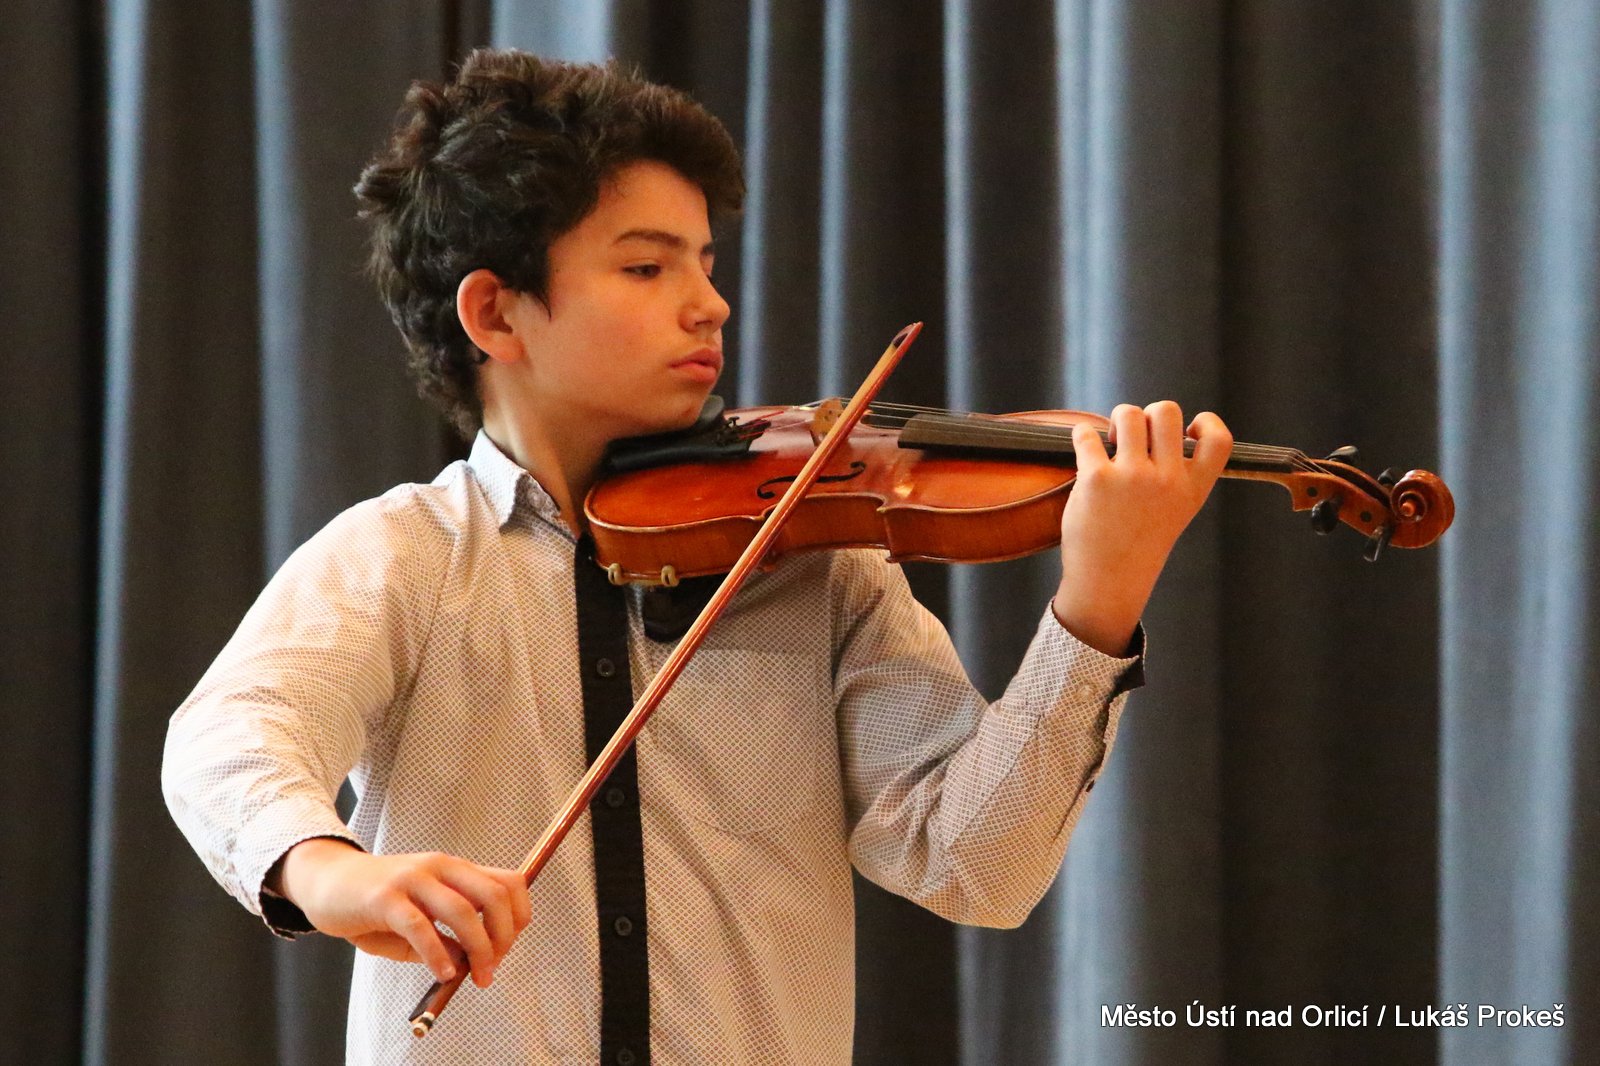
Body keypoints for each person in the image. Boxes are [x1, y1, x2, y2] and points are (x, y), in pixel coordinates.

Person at [162, 47, 1231, 1065]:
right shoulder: (405, 557)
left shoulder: (811, 562)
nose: (710, 303)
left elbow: (975, 865)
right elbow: (232, 734)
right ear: (495, 313)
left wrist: (1097, 604)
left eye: (706, 264)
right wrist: (329, 873)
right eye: (646, 265)